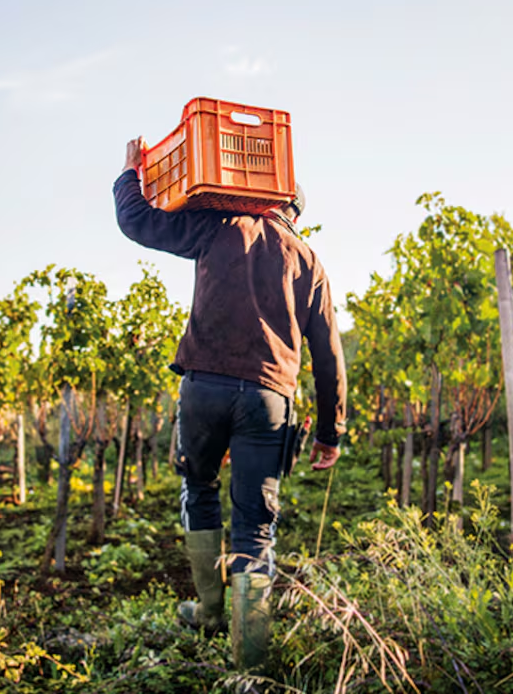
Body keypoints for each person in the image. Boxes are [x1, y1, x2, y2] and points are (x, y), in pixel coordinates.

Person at [113, 137, 347, 674]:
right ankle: (250, 656)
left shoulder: (218, 226)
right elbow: (327, 355)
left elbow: (139, 223)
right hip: (269, 399)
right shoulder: (308, 260)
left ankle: (210, 611)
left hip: (204, 388)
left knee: (198, 487)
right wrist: (329, 432)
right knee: (255, 525)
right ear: (292, 211)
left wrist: (130, 174)